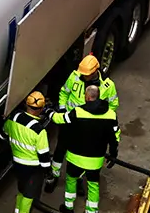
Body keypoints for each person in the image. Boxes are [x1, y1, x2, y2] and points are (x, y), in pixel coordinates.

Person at [45, 54, 119, 194]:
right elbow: (63, 93)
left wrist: (100, 119)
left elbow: (113, 104)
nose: (83, 76)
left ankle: (78, 179)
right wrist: (62, 110)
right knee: (60, 149)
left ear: (94, 72)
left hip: (87, 127)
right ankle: (53, 176)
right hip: (70, 121)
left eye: (86, 74)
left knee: (82, 153)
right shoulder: (74, 77)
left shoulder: (107, 86)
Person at [49, 84, 120, 213]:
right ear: (98, 96)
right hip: (95, 160)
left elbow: (60, 119)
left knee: (71, 180)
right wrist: (113, 154)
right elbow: (114, 136)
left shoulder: (78, 112)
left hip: (75, 156)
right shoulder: (111, 114)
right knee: (93, 186)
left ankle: (68, 208)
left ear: (87, 97)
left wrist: (49, 112)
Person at [1, 91, 52, 213]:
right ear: (41, 109)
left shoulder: (14, 118)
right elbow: (44, 156)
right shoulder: (39, 131)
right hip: (33, 168)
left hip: (17, 164)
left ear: (26, 104)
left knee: (22, 191)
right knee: (29, 194)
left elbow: (3, 134)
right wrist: (48, 172)